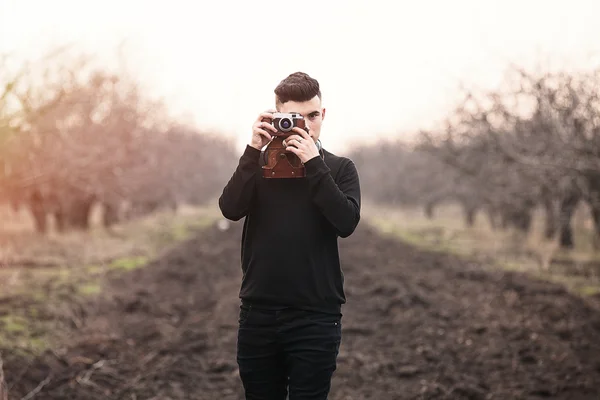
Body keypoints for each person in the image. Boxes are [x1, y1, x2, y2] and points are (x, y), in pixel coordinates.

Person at [218, 71, 361, 400]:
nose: (306, 125)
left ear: (322, 114)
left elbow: (346, 222)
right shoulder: (258, 164)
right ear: (277, 116)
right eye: (294, 118)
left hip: (317, 317)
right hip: (259, 314)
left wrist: (314, 163)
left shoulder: (339, 169)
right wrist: (254, 148)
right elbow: (230, 208)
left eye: (312, 116)